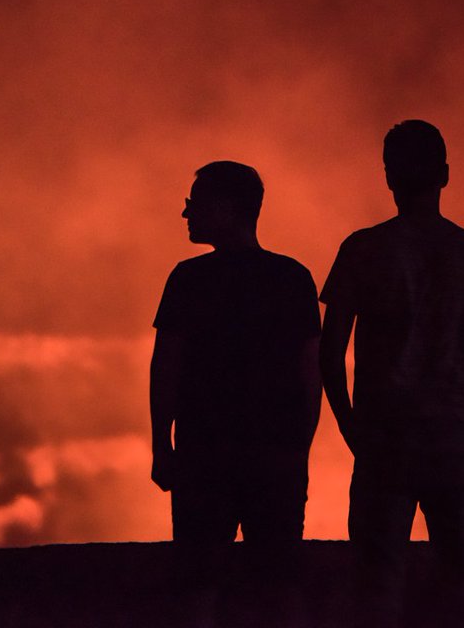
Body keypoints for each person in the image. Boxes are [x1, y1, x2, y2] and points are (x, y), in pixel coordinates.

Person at [319, 120, 464, 628]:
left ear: (389, 177)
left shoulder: (363, 249)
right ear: (445, 175)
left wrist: (352, 428)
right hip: (454, 438)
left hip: (385, 437)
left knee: (378, 588)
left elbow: (329, 354)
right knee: (459, 591)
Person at [150, 160, 322, 627]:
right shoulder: (294, 278)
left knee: (198, 584)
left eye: (195, 203)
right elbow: (312, 376)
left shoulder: (188, 279)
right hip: (276, 455)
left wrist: (161, 445)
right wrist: (299, 449)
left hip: (204, 455)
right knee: (281, 583)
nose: (186, 214)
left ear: (226, 208)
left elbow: (166, 367)